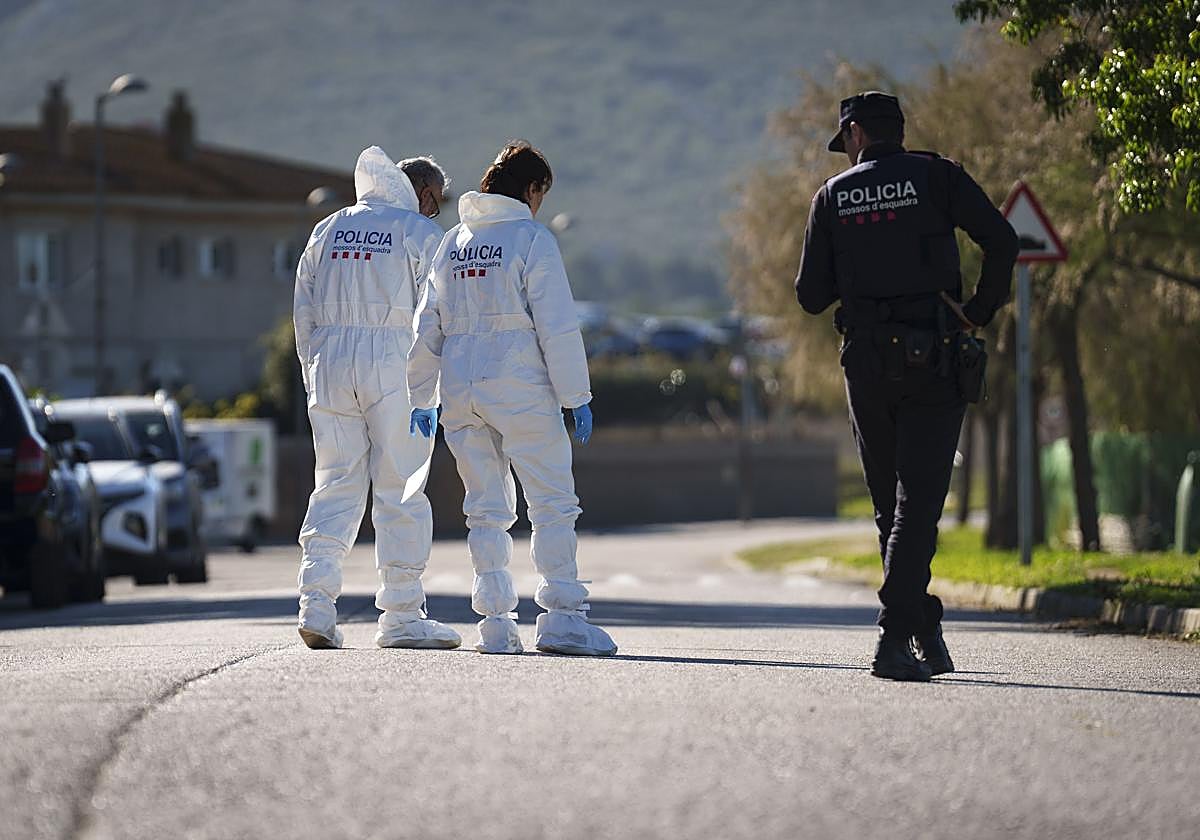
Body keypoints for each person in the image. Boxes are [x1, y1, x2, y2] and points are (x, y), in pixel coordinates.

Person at [794, 92, 1018, 681]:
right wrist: (978, 311)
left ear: (858, 133)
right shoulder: (938, 175)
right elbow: (1002, 240)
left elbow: (811, 297)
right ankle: (915, 631)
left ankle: (902, 637)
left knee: (888, 505)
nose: (845, 155)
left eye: (845, 144)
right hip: (935, 358)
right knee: (915, 504)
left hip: (867, 365)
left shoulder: (833, 197)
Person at [407, 141, 616, 657]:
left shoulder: (452, 242)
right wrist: (576, 396)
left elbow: (426, 325)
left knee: (484, 508)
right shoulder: (530, 238)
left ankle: (496, 627)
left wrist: (420, 396)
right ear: (531, 189)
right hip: (520, 385)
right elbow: (558, 327)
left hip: (460, 390)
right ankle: (564, 619)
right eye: (541, 194)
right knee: (552, 504)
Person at [293, 145, 461, 651]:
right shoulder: (420, 233)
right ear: (424, 194)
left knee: (335, 484)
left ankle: (316, 606)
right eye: (438, 200)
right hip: (395, 363)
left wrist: (313, 375)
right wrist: (431, 392)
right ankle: (403, 615)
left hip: (329, 364)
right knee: (401, 489)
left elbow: (303, 312)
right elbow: (437, 316)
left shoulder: (329, 228)